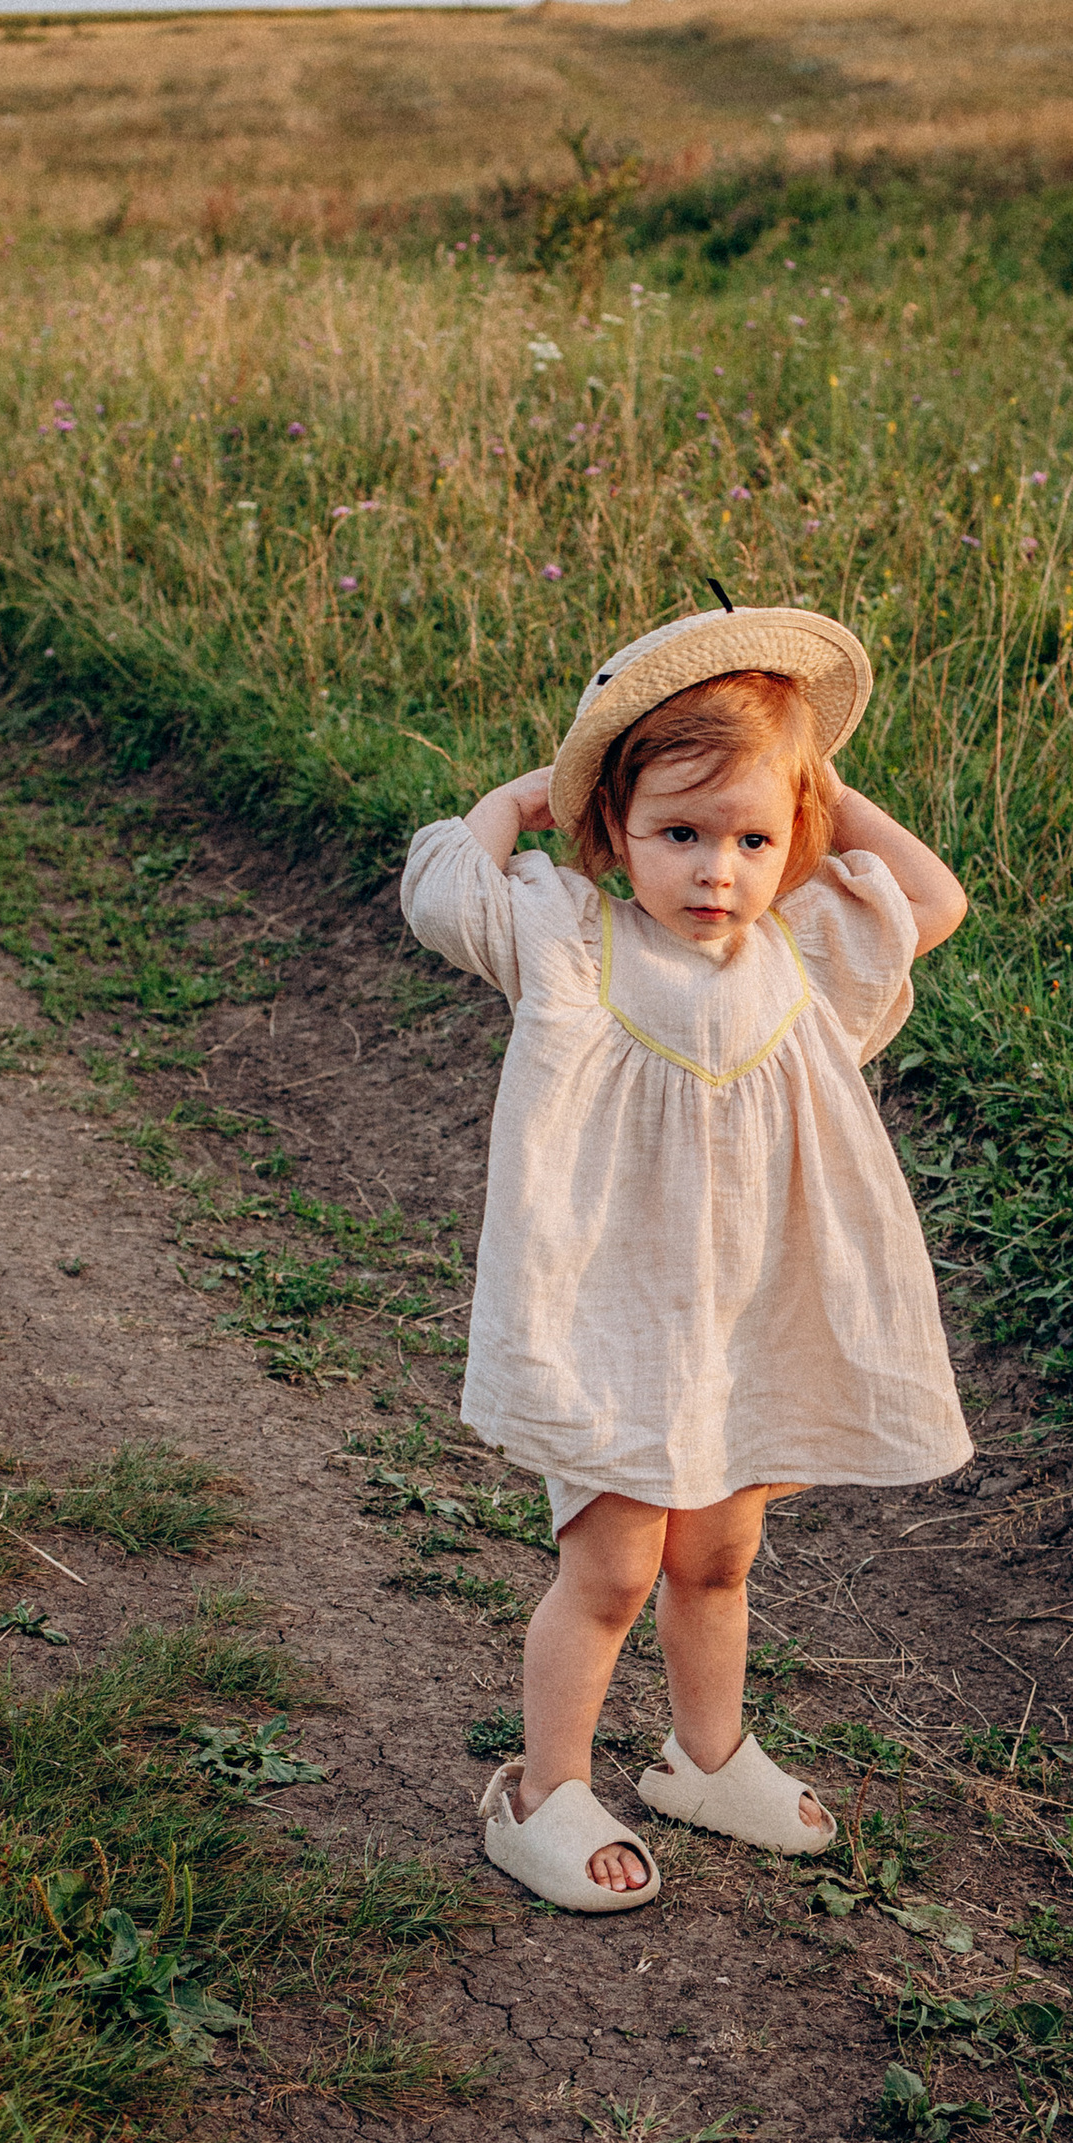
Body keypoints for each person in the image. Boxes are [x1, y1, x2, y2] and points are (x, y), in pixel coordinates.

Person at [398, 602, 971, 1908]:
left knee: (719, 1559)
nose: (718, 866)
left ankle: (704, 1757)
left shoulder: (801, 956)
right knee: (612, 1569)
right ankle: (542, 1789)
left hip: (740, 1330)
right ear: (615, 831)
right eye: (680, 833)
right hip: (608, 1324)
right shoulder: (571, 943)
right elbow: (444, 888)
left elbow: (932, 900)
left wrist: (821, 785)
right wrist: (518, 803)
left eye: (753, 837)